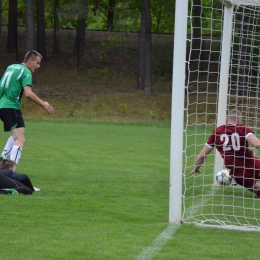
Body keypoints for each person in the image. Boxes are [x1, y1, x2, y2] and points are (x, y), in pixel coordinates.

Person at [0, 50, 54, 165]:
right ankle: (10, 171)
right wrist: (43, 104)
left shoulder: (11, 67)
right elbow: (28, 94)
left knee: (19, 133)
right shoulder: (26, 71)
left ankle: (2, 159)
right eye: (37, 63)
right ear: (30, 61)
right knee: (20, 140)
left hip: (3, 105)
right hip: (11, 106)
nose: (38, 66)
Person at [190, 109, 260, 197]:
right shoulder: (243, 129)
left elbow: (202, 155)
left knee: (256, 188)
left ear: (227, 119)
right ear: (239, 120)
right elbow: (257, 144)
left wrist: (196, 168)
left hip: (239, 171)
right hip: (253, 163)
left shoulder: (217, 132)